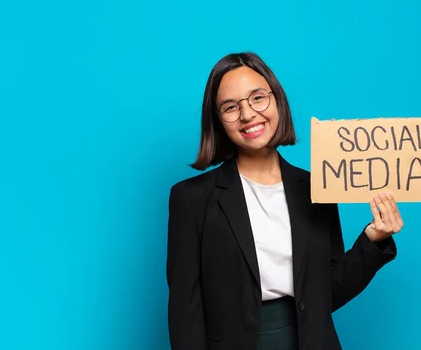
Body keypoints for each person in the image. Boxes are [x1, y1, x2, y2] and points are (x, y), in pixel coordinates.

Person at [166, 52, 403, 350]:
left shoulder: (318, 189)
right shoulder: (191, 199)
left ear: (277, 99)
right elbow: (184, 311)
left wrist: (374, 240)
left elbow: (327, 293)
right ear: (218, 120)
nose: (248, 114)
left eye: (257, 98)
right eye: (230, 107)